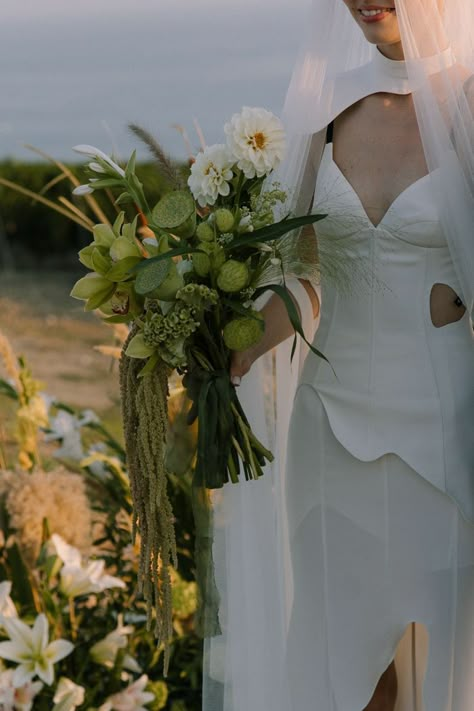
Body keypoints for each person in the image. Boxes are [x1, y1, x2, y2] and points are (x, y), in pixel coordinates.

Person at [202, 1, 474, 710]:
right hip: (330, 431)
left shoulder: (471, 102)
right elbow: (309, 275)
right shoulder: (329, 111)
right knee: (336, 660)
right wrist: (232, 345)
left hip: (447, 433)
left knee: (448, 658)